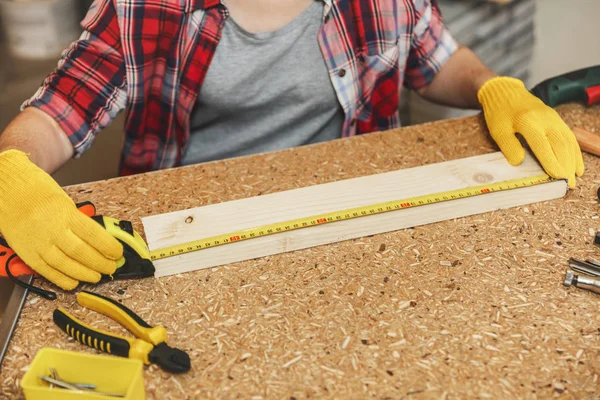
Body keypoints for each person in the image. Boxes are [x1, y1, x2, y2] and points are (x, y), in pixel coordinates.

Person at [0, 0, 584, 292]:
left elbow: (437, 60)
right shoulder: (143, 7)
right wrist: (10, 170)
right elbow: (57, 114)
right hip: (191, 238)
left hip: (353, 216)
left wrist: (494, 87)